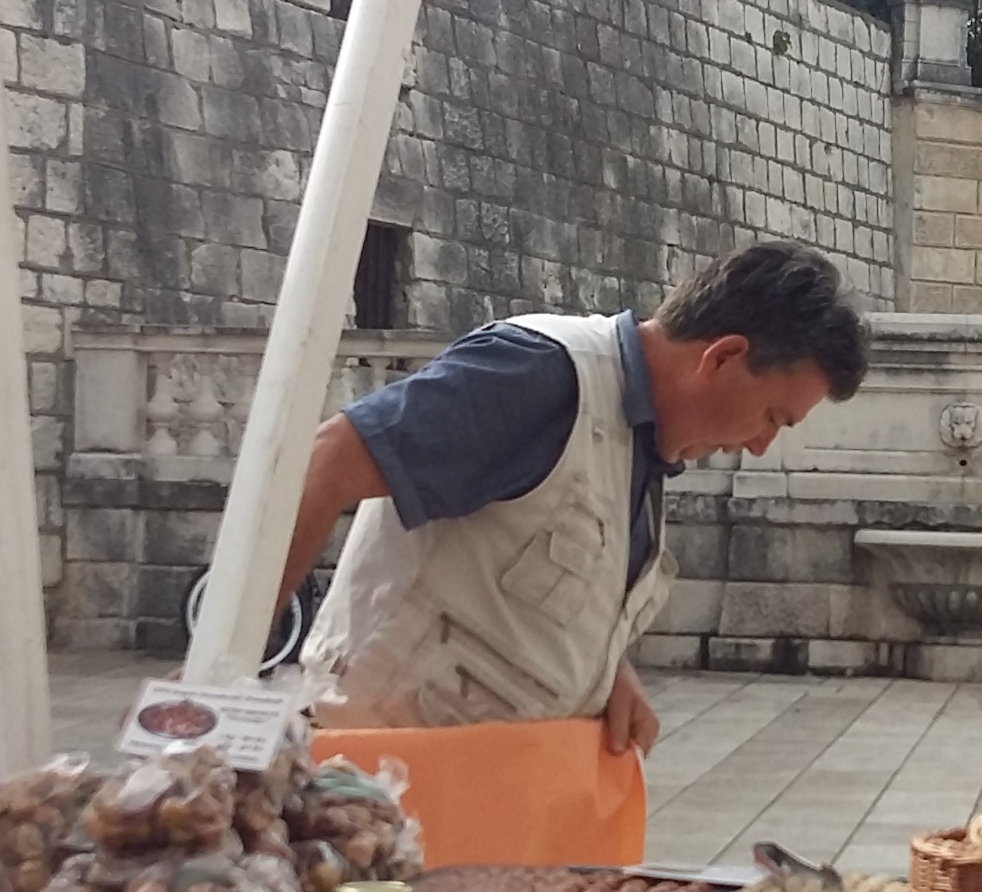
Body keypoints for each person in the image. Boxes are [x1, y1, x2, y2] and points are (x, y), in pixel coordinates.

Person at [276, 241, 869, 753]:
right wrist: (232, 667)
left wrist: (603, 672)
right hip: (377, 780)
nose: (761, 445)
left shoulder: (643, 443)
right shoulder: (540, 375)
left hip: (478, 793)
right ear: (724, 357)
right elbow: (328, 460)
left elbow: (518, 576)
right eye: (772, 417)